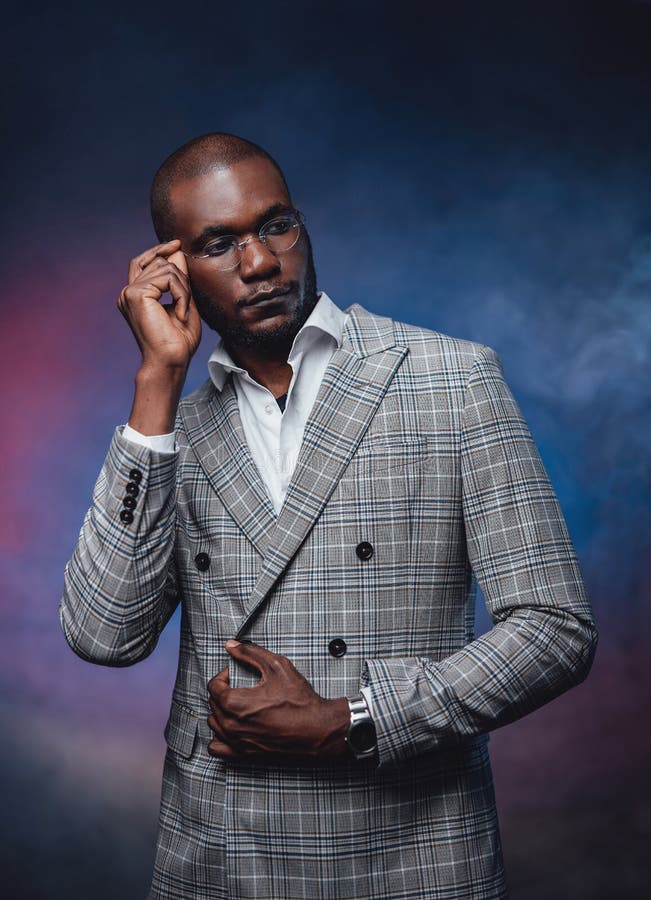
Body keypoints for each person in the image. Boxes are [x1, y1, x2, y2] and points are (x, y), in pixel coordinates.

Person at [60, 132, 598, 900]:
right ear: (172, 271)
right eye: (219, 243)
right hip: (219, 857)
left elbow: (554, 628)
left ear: (300, 224)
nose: (258, 263)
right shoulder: (175, 429)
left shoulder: (450, 379)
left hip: (414, 855)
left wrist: (355, 718)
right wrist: (157, 382)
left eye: (274, 225)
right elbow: (103, 635)